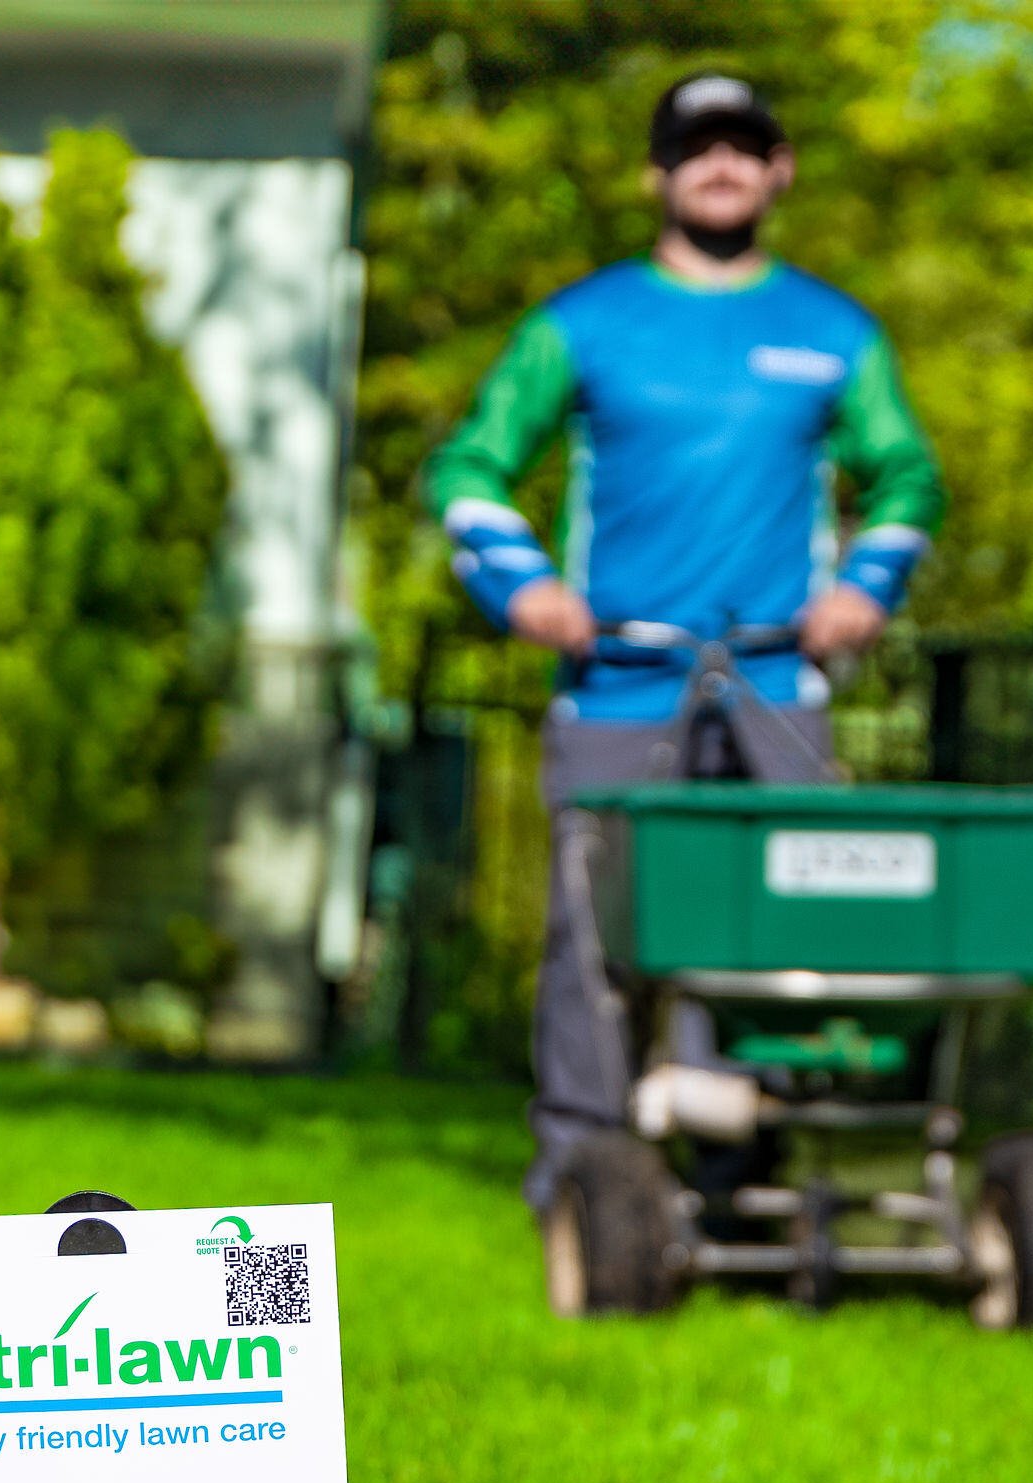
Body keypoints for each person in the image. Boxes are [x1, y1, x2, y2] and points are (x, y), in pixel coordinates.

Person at [425, 70, 947, 1211]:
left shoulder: (831, 332)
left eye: (744, 146)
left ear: (779, 169)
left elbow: (905, 473)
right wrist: (523, 587)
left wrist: (865, 584)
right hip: (621, 682)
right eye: (697, 147)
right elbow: (469, 468)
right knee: (593, 942)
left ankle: (745, 1175)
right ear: (659, 171)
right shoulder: (585, 324)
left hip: (773, 684)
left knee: (776, 937)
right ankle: (583, 1177)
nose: (722, 166)